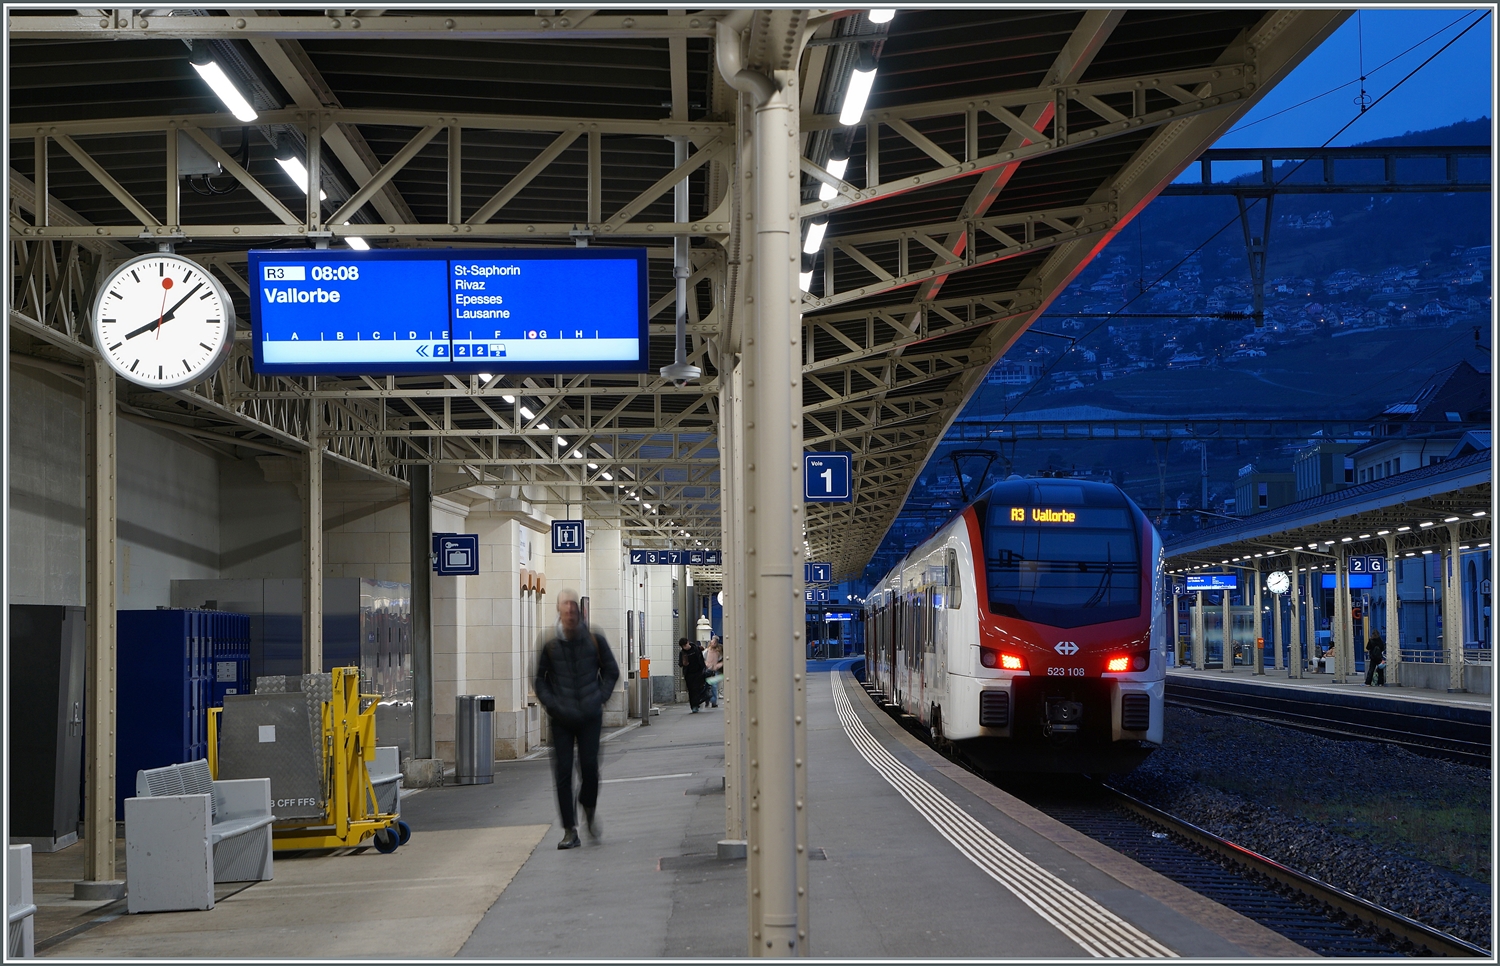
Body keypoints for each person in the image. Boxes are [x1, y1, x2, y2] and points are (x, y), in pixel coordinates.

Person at [534, 588, 620, 850]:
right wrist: (552, 704)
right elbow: (539, 679)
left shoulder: (594, 639)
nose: (570, 611)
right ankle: (570, 830)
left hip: (589, 716)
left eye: (573, 607)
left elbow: (611, 670)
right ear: (559, 611)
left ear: (579, 611)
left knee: (590, 768)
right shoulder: (549, 642)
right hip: (561, 718)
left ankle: (589, 807)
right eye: (565, 607)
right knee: (562, 774)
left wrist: (599, 697)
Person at [679, 637, 708, 713]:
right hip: (689, 674)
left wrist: (704, 668)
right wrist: (684, 663)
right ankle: (694, 705)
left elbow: (701, 659)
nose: (685, 647)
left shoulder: (696, 649)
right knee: (691, 690)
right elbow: (680, 663)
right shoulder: (682, 653)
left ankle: (696, 704)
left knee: (697, 688)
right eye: (683, 646)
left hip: (698, 671)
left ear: (688, 642)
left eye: (685, 645)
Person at [704, 636, 723, 708]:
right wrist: (706, 664)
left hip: (714, 670)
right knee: (707, 686)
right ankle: (708, 699)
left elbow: (721, 660)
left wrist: (717, 666)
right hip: (707, 670)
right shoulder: (706, 651)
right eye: (713, 641)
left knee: (714, 686)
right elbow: (703, 659)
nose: (714, 643)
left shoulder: (718, 652)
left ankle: (713, 701)